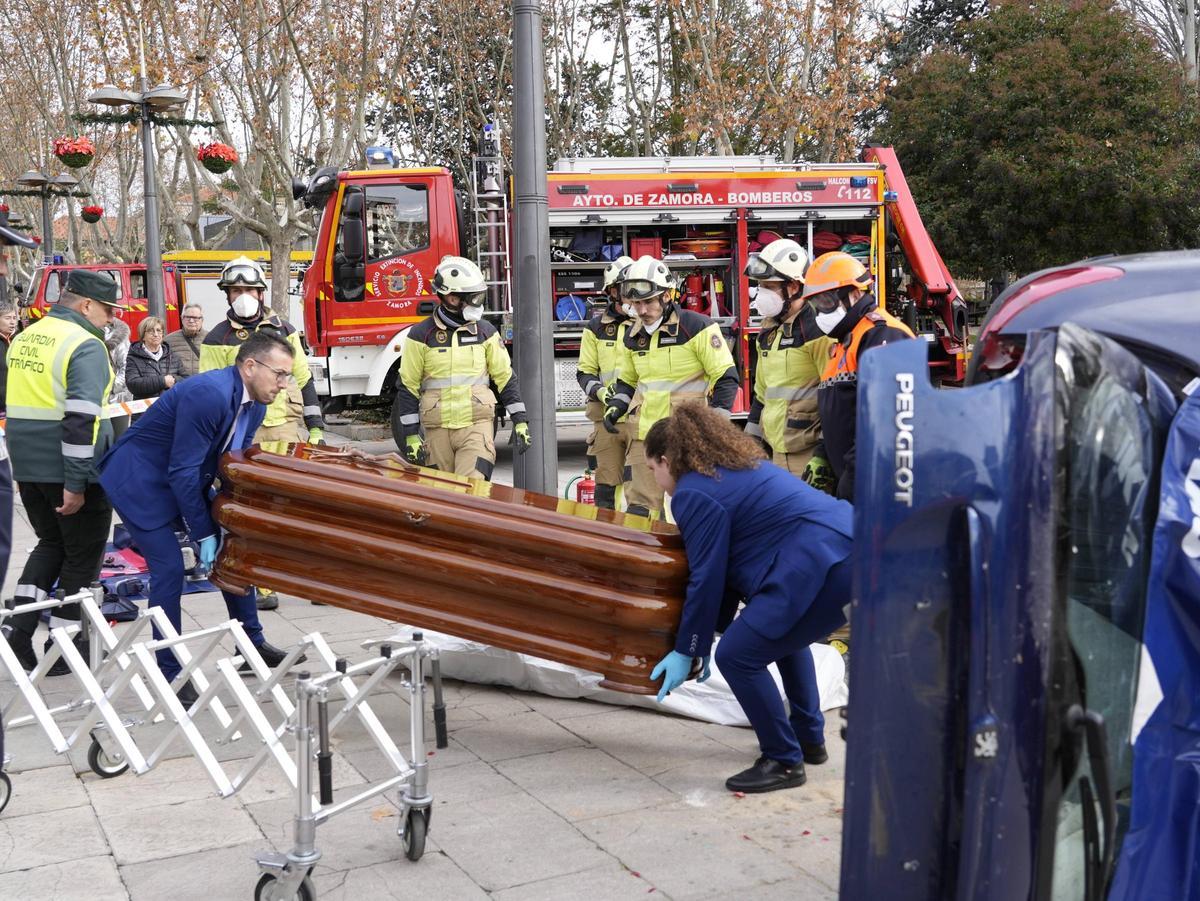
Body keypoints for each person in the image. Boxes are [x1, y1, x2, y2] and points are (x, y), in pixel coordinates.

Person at [644, 403, 852, 793]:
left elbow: (706, 575)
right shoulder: (737, 468)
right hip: (847, 549)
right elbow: (724, 572)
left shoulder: (692, 491)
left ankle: (783, 760)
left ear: (667, 461)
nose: (656, 480)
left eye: (653, 469)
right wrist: (703, 637)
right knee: (783, 639)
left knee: (737, 656)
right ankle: (808, 738)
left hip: (817, 563)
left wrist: (689, 648)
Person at [99, 330, 308, 706]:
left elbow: (231, 465)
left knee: (235, 549)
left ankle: (251, 644)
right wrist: (202, 532)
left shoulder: (257, 403)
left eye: (287, 376)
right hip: (139, 480)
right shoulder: (208, 394)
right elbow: (182, 470)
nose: (283, 384)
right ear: (250, 366)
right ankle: (169, 672)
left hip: (184, 477)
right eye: (279, 374)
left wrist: (239, 518)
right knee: (168, 569)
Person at [2, 270, 120, 675]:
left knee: (50, 543)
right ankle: (64, 648)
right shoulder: (85, 344)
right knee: (83, 556)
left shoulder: (26, 337)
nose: (111, 318)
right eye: (107, 310)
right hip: (71, 469)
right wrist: (76, 482)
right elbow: (80, 419)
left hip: (29, 466)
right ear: (86, 305)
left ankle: (17, 630)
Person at [200, 256, 326, 611]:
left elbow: (304, 379)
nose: (242, 296)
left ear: (261, 292)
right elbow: (209, 392)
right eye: (235, 290)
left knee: (300, 507)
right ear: (227, 295)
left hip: (285, 427)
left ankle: (314, 580)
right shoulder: (217, 338)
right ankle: (266, 582)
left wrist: (316, 428)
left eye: (249, 289)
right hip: (244, 435)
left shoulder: (284, 329)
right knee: (257, 510)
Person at [602, 255, 739, 517]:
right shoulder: (633, 335)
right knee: (640, 510)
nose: (642, 311)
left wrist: (717, 426)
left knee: (695, 508)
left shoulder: (697, 327)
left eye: (648, 302)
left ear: (666, 296)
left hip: (686, 436)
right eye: (636, 303)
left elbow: (725, 377)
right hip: (645, 435)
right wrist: (616, 406)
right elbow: (627, 380)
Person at [395, 255, 531, 479]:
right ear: (451, 298)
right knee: (441, 493)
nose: (477, 303)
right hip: (438, 431)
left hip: (477, 426)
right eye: (472, 298)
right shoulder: (420, 335)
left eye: (478, 296)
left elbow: (505, 377)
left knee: (472, 489)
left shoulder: (486, 333)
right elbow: (408, 386)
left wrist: (520, 420)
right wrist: (410, 435)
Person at [806, 251, 914, 501]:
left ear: (855, 293)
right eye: (816, 303)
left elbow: (886, 424)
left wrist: (854, 481)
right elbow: (843, 410)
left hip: (876, 486)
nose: (820, 311)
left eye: (826, 301)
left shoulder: (883, 335)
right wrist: (823, 454)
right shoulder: (846, 341)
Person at [743, 239, 834, 483]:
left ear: (793, 286)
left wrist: (824, 455)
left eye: (769, 286)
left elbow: (836, 396)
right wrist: (748, 445)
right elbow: (762, 395)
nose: (761, 292)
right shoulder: (769, 329)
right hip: (774, 454)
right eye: (760, 285)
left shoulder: (818, 328)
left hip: (809, 456)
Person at [575, 255, 634, 509]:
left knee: (642, 492)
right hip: (606, 420)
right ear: (612, 291)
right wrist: (600, 392)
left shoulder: (649, 325)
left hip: (640, 417)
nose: (633, 294)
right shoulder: (595, 327)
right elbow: (584, 372)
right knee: (606, 492)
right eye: (627, 288)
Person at [125, 315, 183, 402]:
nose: (156, 334)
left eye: (159, 330)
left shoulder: (173, 355)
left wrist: (174, 380)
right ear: (143, 336)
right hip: (146, 408)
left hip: (170, 406)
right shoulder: (133, 357)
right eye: (150, 331)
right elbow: (133, 384)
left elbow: (186, 379)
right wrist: (163, 381)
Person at [164, 302, 208, 379]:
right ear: (182, 318)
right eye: (188, 317)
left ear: (202, 320)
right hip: (180, 384)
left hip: (204, 383)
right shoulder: (168, 340)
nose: (191, 321)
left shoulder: (211, 338)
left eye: (195, 318)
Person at [0, 299, 17, 416]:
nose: (12, 322)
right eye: (7, 318)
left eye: (14, 318)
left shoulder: (18, 339)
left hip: (13, 404)